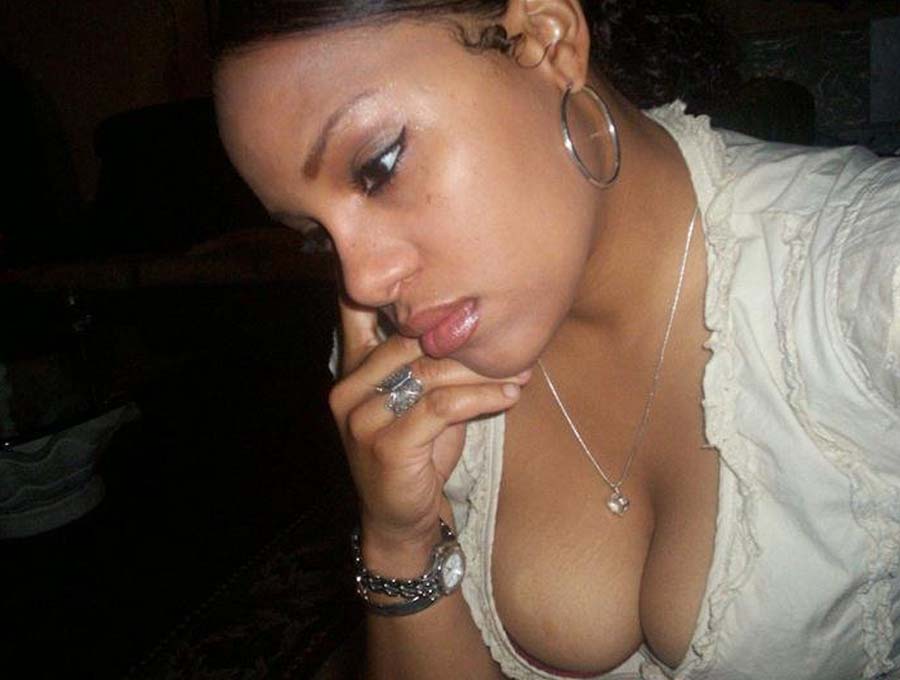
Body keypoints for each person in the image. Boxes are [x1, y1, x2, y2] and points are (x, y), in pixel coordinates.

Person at [212, 1, 900, 677]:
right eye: (315, 237)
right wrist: (400, 538)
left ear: (546, 37)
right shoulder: (401, 370)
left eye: (379, 166)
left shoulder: (867, 277)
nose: (364, 281)